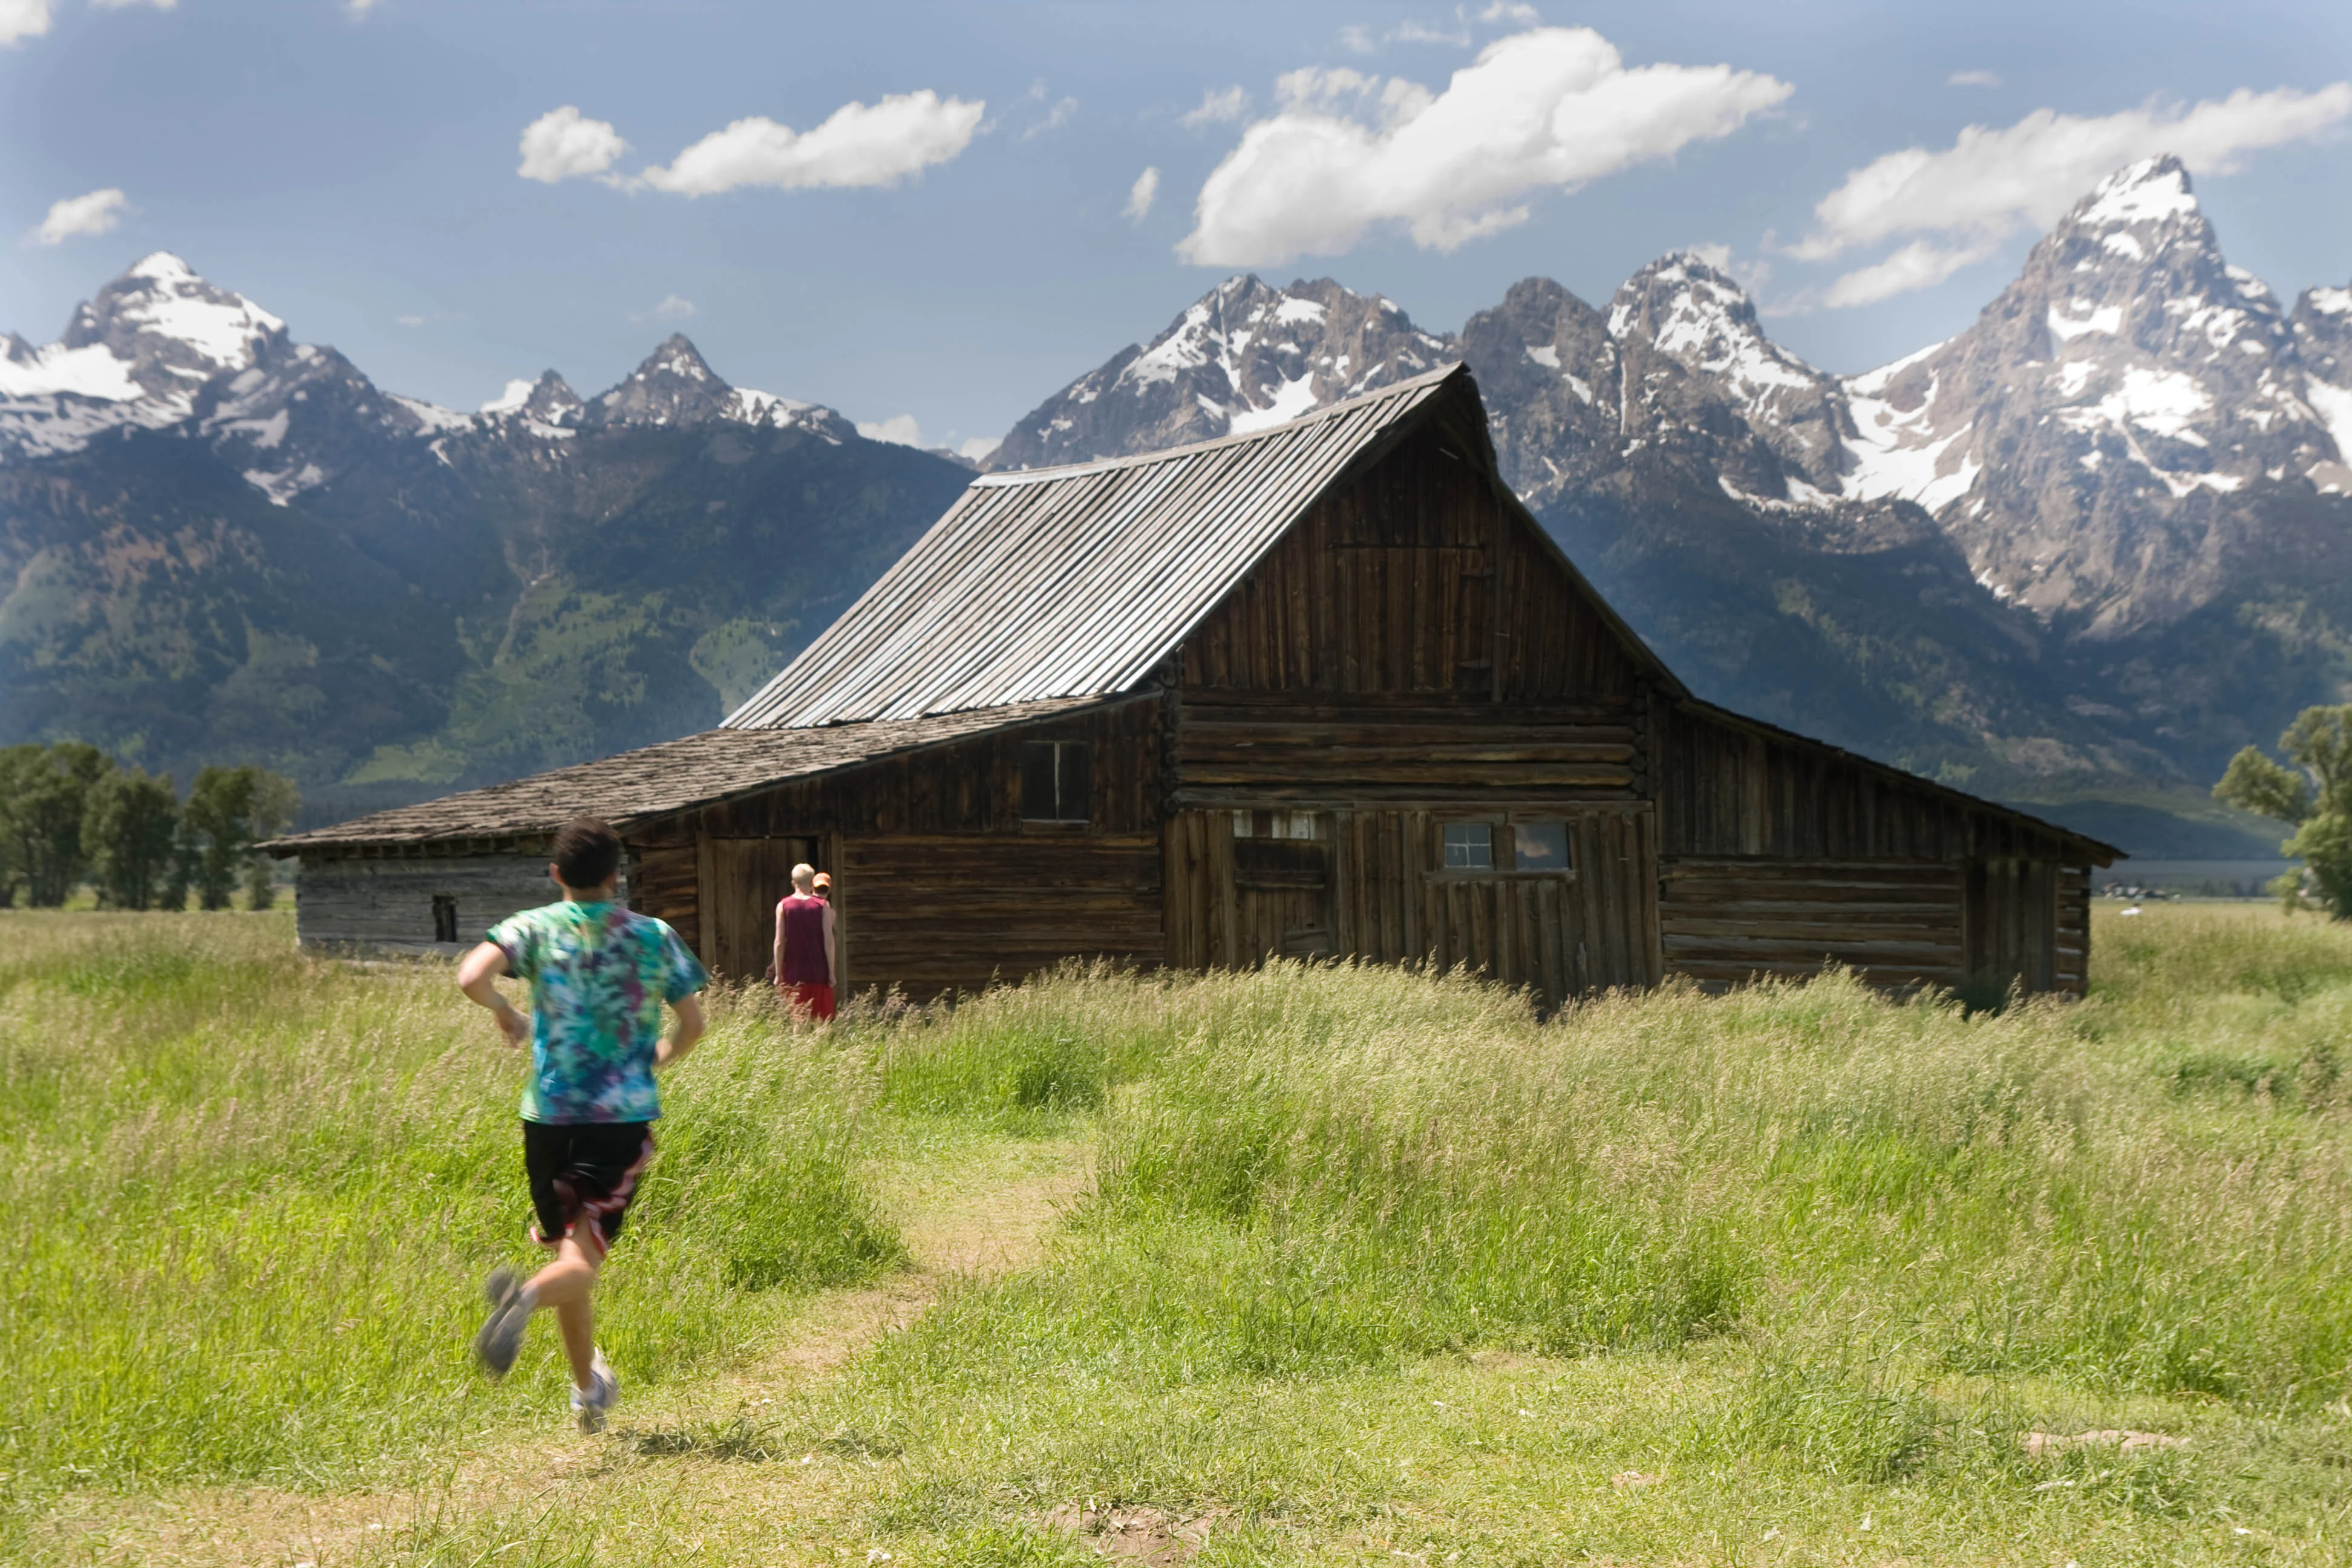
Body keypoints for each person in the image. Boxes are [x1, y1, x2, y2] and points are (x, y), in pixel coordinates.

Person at [456, 815, 707, 1433]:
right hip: (617, 1120)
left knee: (570, 1257)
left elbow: (471, 977)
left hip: (546, 1120)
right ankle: (525, 1298)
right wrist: (661, 1057)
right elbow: (694, 1024)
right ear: (616, 876)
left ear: (557, 874)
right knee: (580, 1263)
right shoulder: (652, 936)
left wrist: (506, 1011)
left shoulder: (534, 927)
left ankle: (588, 1391)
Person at [773, 861, 837, 1022]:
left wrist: (779, 974)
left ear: (793, 882)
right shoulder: (822, 906)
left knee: (799, 1021)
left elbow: (779, 942)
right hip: (819, 972)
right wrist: (831, 972)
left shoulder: (783, 906)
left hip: (793, 974)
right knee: (823, 1021)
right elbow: (829, 940)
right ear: (811, 883)